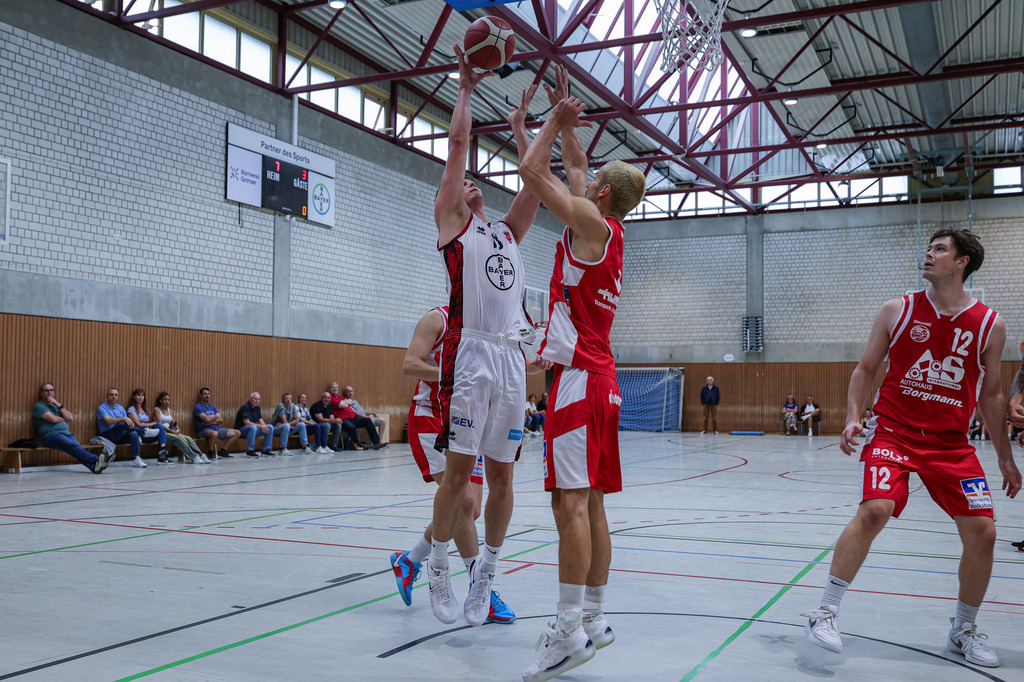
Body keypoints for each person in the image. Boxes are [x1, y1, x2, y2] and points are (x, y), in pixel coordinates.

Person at [801, 228, 1021, 669]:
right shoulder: (897, 309)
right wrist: (851, 417)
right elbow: (865, 369)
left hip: (951, 443)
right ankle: (825, 611)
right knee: (874, 510)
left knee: (985, 533)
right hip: (895, 432)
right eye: (928, 248)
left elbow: (992, 395)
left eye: (940, 249)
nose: (929, 254)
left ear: (962, 263)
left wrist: (1004, 455)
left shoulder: (989, 324)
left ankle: (963, 629)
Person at [518, 66, 647, 682]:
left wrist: (544, 127)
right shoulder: (606, 227)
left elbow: (534, 176)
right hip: (602, 378)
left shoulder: (590, 225)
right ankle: (594, 617)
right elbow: (570, 170)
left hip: (576, 381)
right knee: (590, 503)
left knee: (568, 505)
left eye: (593, 179)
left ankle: (567, 632)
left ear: (601, 195)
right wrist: (561, 122)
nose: (586, 177)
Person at [424, 47, 549, 631]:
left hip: (510, 360)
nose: (470, 183)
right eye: (463, 183)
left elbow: (536, 181)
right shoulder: (456, 224)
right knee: (459, 473)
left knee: (503, 476)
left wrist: (527, 129)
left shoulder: (506, 232)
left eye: (477, 181)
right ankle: (440, 568)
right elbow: (454, 149)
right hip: (470, 353)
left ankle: (487, 578)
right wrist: (467, 87)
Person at [389, 305, 515, 624]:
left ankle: (410, 559)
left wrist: (533, 362)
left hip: (470, 423)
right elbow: (409, 364)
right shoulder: (438, 319)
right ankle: (481, 589)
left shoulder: (490, 322)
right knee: (465, 501)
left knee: (468, 511)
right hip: (431, 417)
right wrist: (453, 373)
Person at [33, 383, 114, 474]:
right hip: (51, 435)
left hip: (66, 433)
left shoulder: (57, 406)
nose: (49, 393)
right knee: (72, 446)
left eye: (51, 390)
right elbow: (53, 419)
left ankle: (94, 467)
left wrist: (58, 404)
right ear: (41, 393)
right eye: (46, 390)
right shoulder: (39, 406)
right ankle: (98, 459)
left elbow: (70, 418)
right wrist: (64, 419)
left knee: (76, 448)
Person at [97, 388, 151, 468]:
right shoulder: (102, 408)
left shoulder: (120, 408)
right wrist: (123, 418)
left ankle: (136, 458)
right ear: (107, 396)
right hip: (108, 435)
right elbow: (108, 421)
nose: (114, 396)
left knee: (133, 433)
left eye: (116, 395)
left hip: (120, 435)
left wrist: (131, 424)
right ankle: (143, 432)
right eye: (111, 395)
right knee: (122, 423)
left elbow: (128, 423)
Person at [153, 391, 209, 464]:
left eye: (168, 400)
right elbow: (160, 424)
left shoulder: (168, 410)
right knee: (179, 439)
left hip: (171, 431)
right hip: (162, 433)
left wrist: (177, 428)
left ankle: (201, 455)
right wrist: (171, 431)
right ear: (160, 401)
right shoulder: (156, 410)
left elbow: (174, 422)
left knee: (188, 438)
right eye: (165, 400)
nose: (167, 401)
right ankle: (193, 457)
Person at [125, 388, 172, 464]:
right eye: (138, 395)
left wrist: (153, 424)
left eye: (142, 395)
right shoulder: (131, 409)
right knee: (135, 431)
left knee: (160, 426)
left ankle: (162, 453)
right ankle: (138, 457)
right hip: (137, 432)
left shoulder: (145, 409)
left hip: (146, 434)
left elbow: (148, 423)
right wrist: (152, 424)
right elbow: (138, 424)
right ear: (134, 397)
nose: (141, 397)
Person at [193, 388, 240, 459]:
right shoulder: (198, 407)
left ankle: (223, 450)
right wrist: (215, 418)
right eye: (205, 394)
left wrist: (210, 421)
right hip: (203, 430)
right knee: (214, 433)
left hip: (216, 429)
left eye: (208, 394)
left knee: (237, 432)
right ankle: (211, 452)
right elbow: (207, 419)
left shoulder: (212, 407)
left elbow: (221, 420)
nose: (207, 396)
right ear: (201, 396)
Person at [234, 392, 276, 458]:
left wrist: (265, 427)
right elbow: (246, 423)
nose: (257, 401)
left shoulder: (257, 408)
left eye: (258, 399)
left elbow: (260, 420)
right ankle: (250, 451)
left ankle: (266, 450)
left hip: (253, 430)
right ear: (250, 399)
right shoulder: (245, 407)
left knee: (270, 427)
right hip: (241, 431)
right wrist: (261, 426)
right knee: (253, 427)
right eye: (255, 399)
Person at [328, 382, 368, 451]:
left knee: (368, 421)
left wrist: (344, 403)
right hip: (341, 419)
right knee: (352, 427)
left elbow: (351, 402)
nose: (335, 389)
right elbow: (342, 405)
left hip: (352, 418)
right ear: (329, 389)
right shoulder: (330, 398)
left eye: (336, 387)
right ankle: (358, 444)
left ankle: (376, 443)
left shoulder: (340, 397)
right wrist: (345, 403)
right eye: (333, 387)